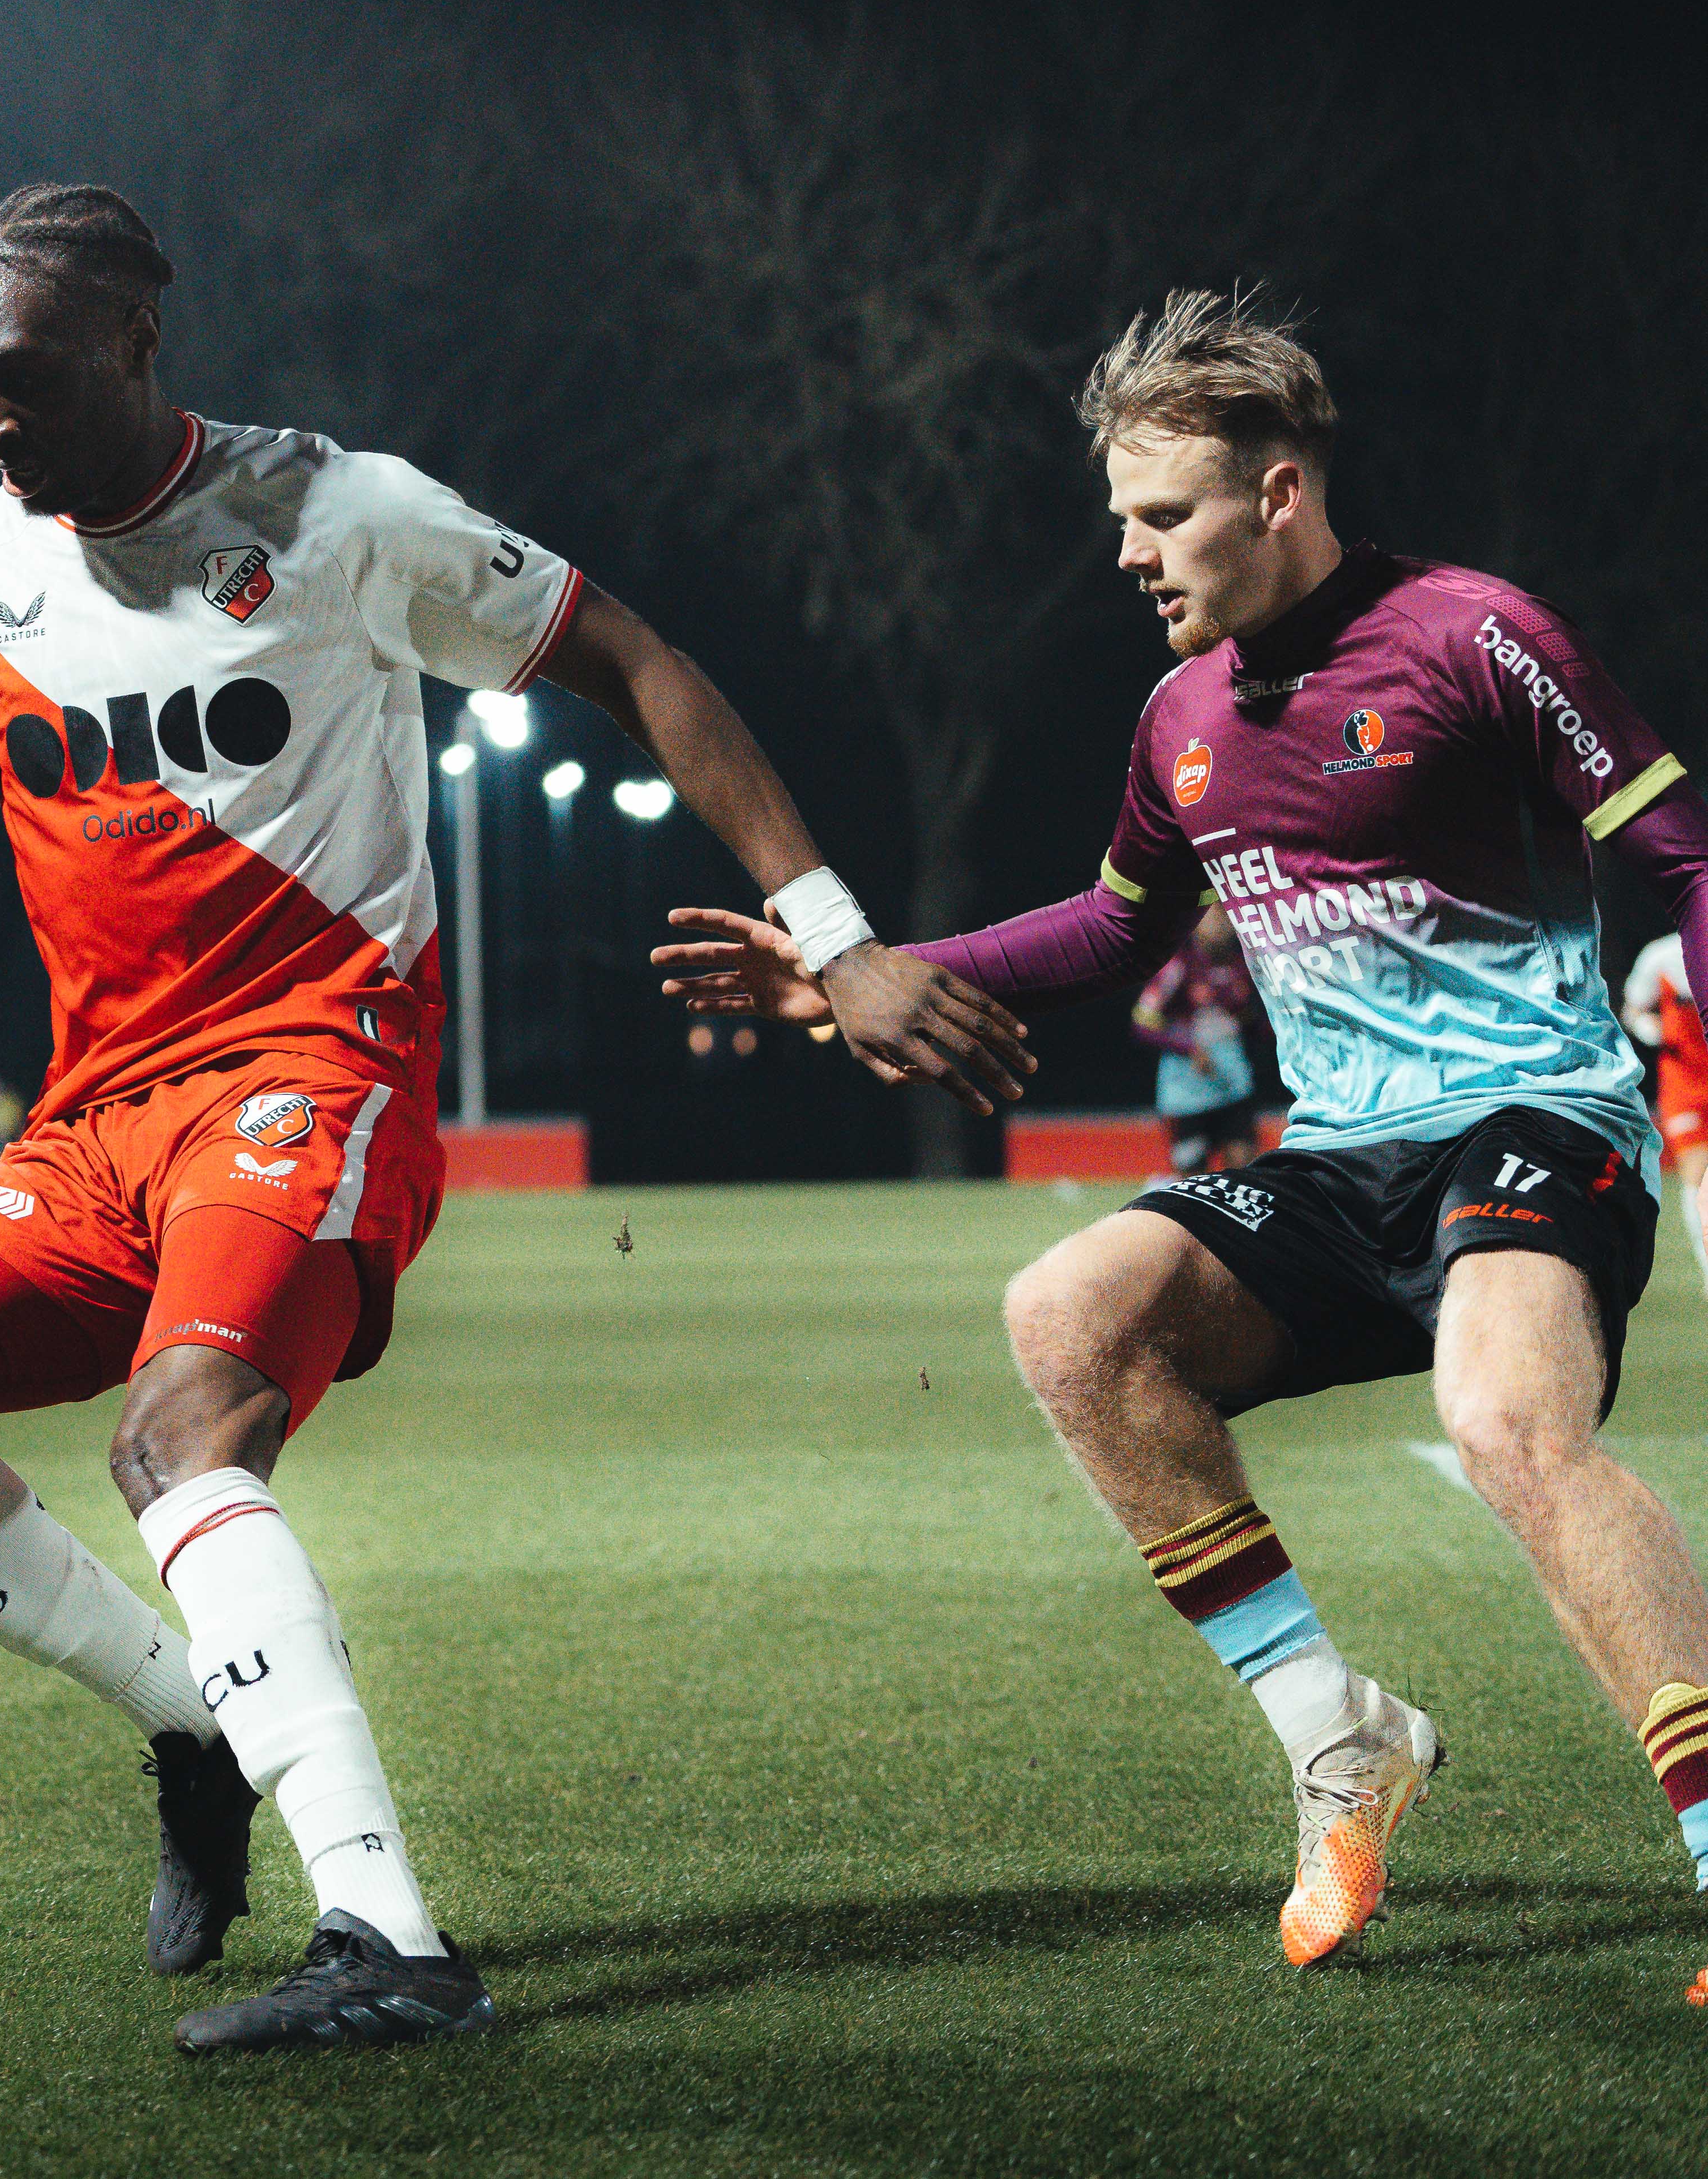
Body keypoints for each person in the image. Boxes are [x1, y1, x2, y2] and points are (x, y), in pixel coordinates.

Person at [0, 183, 1026, 2052]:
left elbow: (635, 660)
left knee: (181, 1431)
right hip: (92, 1128)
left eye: (29, 378)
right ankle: (190, 1718)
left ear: (139, 346)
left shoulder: (336, 517)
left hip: (315, 1067)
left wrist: (838, 936)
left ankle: (387, 1939)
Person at [659, 290, 1708, 1967]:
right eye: (1119, 522)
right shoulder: (1180, 721)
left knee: (1506, 1417)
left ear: (1278, 494)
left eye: (1163, 517)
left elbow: (1676, 859)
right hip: (1339, 1160)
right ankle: (1337, 1735)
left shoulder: (1473, 635)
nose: (1132, 554)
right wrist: (860, 975)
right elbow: (1111, 933)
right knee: (1069, 1314)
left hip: (1533, 1118)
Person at [1132, 902, 1264, 1175]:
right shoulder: (1179, 964)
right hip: (1187, 1091)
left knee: (1244, 1174)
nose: (1222, 923)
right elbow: (1143, 1021)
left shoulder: (1243, 963)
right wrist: (1189, 1047)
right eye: (1214, 915)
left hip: (1234, 1085)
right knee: (1193, 1181)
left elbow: (1250, 1020)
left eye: (1226, 915)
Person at [1620, 934, 1708, 1298]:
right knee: (1699, 1174)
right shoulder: (1662, 955)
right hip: (1685, 1084)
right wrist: (1650, 1029)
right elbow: (1633, 1007)